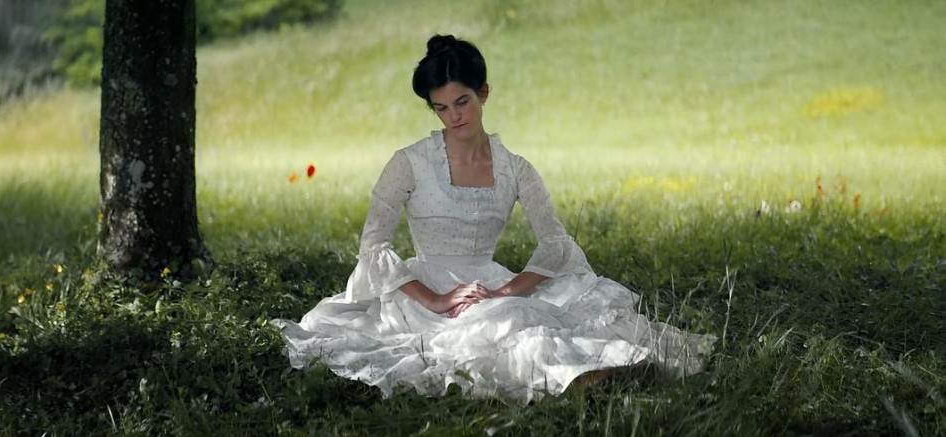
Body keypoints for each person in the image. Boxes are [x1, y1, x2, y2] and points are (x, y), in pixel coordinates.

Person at [271, 34, 715, 402]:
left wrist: (505, 289)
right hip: (424, 290)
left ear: (483, 93)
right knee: (504, 326)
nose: (453, 116)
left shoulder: (515, 169)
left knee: (524, 314)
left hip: (489, 281)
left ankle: (604, 368)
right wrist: (436, 300)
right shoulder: (408, 163)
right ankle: (580, 378)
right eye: (441, 107)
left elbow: (555, 244)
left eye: (462, 102)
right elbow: (374, 246)